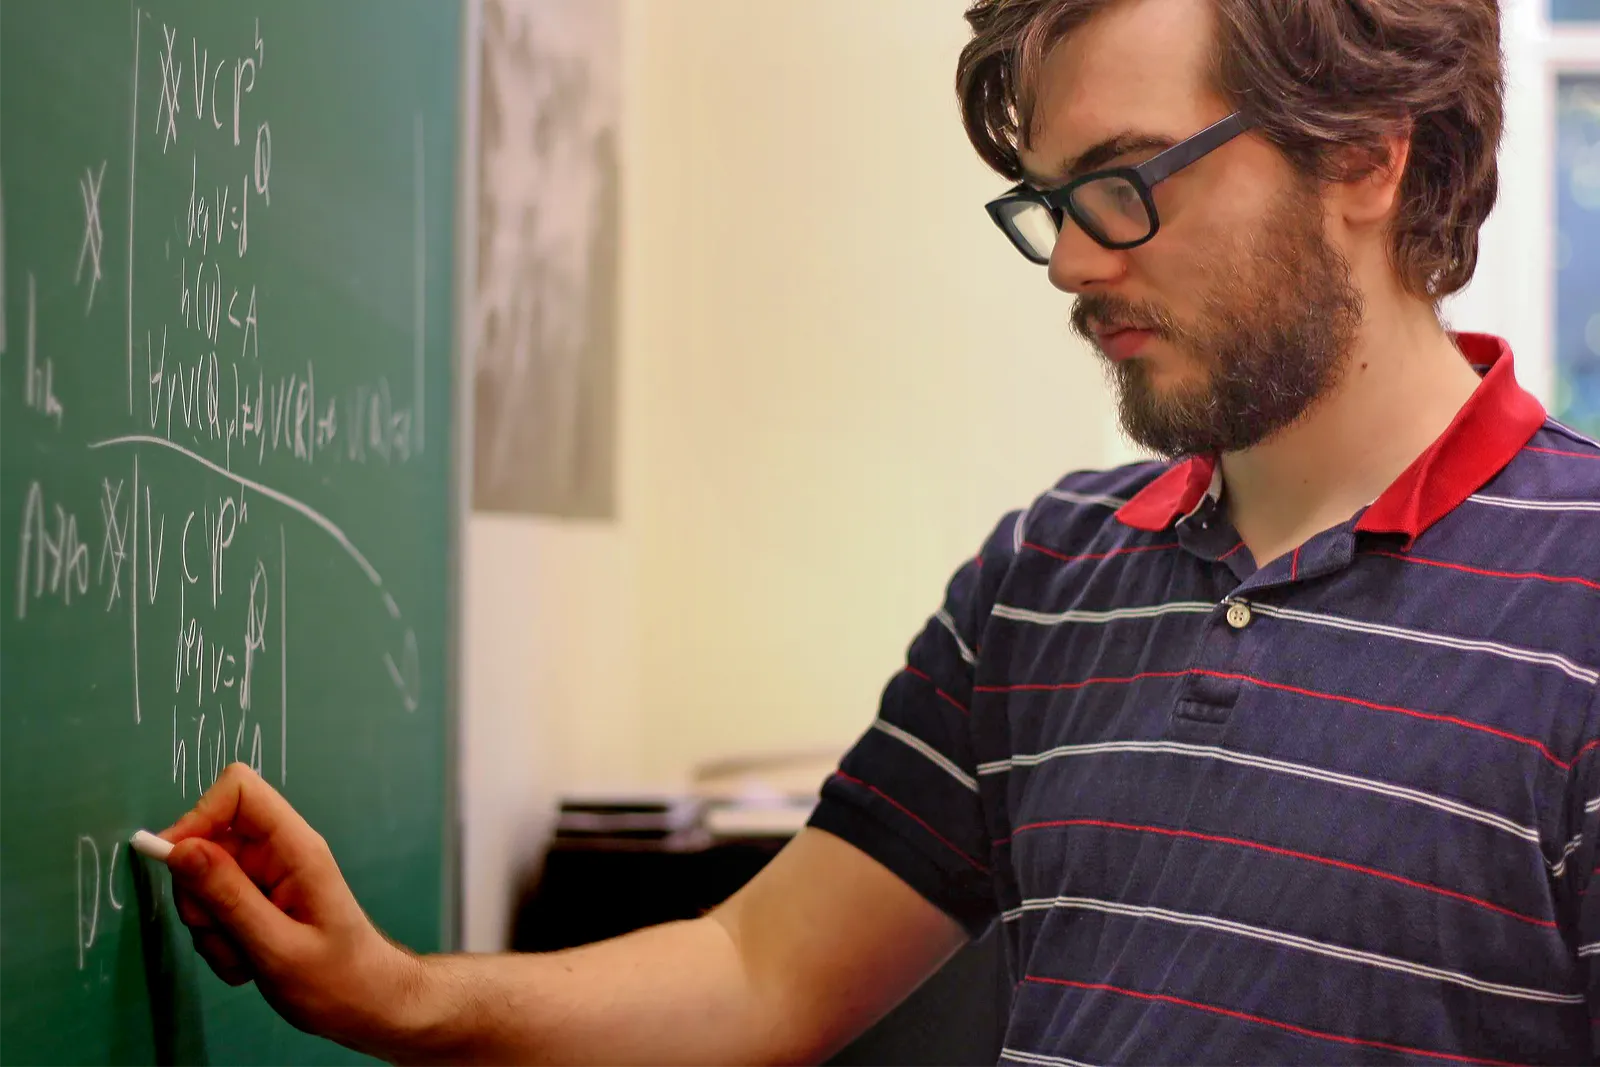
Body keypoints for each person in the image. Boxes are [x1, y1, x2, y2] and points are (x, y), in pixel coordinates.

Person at [159, 0, 1600, 1063]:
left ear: (1364, 157)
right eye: (1051, 203)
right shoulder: (1040, 580)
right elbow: (758, 971)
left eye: (1129, 182)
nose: (1078, 264)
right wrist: (394, 991)